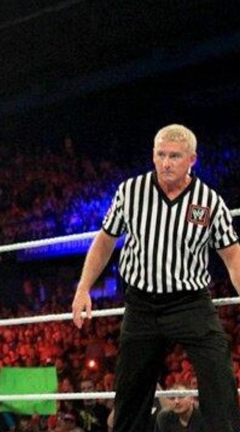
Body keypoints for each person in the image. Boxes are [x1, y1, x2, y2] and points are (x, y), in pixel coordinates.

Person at [71, 124, 240, 432]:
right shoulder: (131, 191)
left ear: (192, 159)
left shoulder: (209, 201)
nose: (166, 163)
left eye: (174, 156)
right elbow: (105, 240)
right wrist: (83, 287)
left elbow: (232, 255)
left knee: (218, 370)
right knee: (131, 390)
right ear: (152, 155)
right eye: (160, 154)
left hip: (190, 303)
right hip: (142, 304)